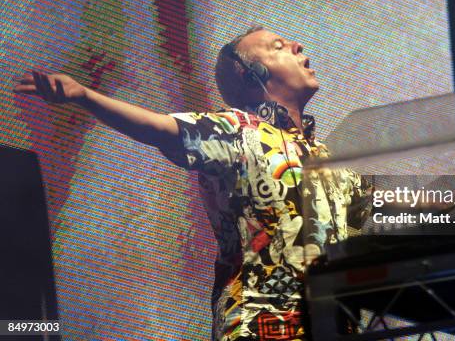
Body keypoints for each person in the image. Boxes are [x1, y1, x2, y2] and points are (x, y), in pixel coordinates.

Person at [14, 26, 372, 340]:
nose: (297, 46)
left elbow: (389, 209)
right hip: (262, 324)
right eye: (278, 46)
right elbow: (160, 129)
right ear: (253, 74)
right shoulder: (236, 130)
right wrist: (84, 96)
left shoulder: (327, 159)